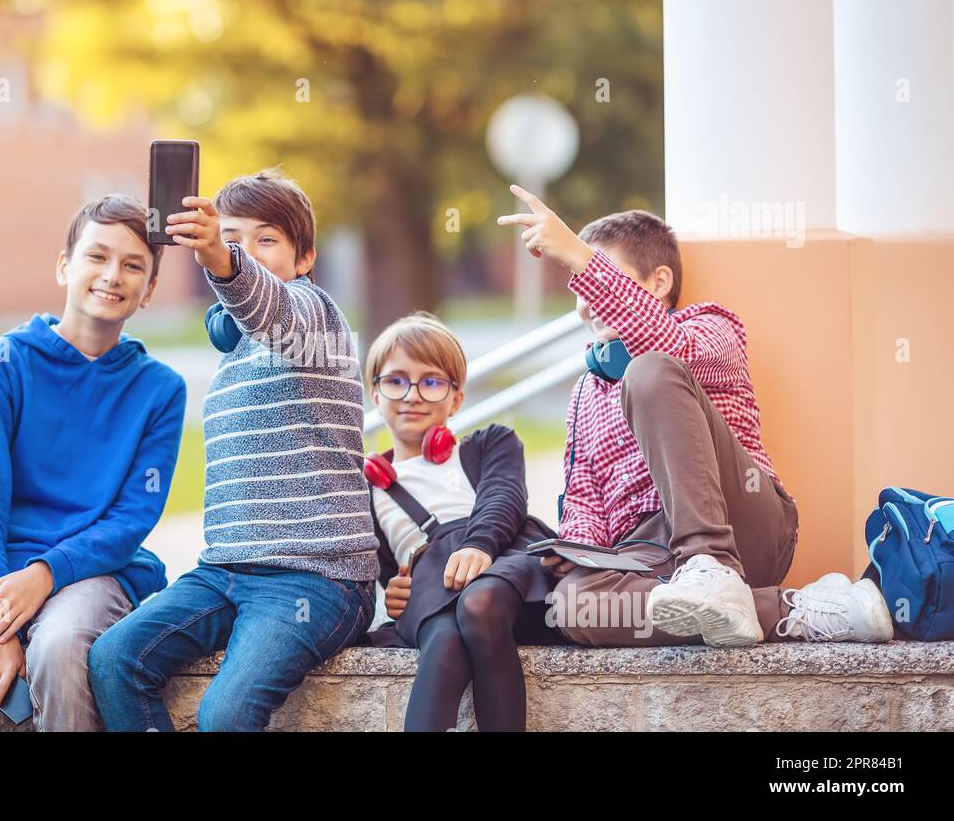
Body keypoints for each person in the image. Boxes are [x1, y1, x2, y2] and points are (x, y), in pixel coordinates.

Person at [497, 189, 892, 647]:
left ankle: (713, 566)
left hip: (745, 523)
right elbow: (585, 498)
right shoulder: (586, 390)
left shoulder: (710, 328)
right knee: (573, 602)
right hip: (651, 556)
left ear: (659, 281)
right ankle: (794, 610)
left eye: (594, 277)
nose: (584, 302)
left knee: (649, 370)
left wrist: (581, 259)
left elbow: (667, 348)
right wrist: (579, 551)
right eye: (577, 288)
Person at [90, 169, 377, 731]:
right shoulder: (240, 348)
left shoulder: (313, 320)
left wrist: (223, 257)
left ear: (305, 258)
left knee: (226, 713)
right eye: (234, 237)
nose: (246, 251)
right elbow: (252, 311)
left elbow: (272, 308)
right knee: (114, 659)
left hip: (317, 577)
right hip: (224, 570)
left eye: (266, 239)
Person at [0, 194, 186, 731]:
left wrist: (45, 574)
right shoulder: (2, 362)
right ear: (64, 266)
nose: (112, 275)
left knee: (58, 649)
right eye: (97, 257)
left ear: (148, 290)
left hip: (93, 569)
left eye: (132, 266)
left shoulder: (160, 390)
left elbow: (129, 521)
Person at [360, 312, 560, 731]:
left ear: (456, 399)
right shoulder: (368, 491)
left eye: (431, 382)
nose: (412, 394)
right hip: (434, 588)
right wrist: (393, 592)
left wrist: (478, 545)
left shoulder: (490, 443)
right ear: (375, 394)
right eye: (396, 380)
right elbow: (383, 574)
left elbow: (504, 498)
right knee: (447, 638)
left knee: (479, 603)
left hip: (506, 565)